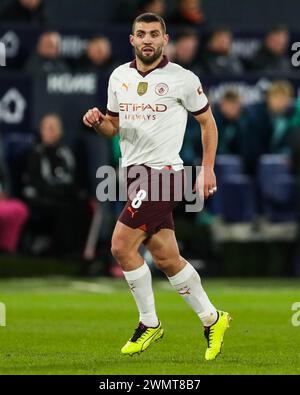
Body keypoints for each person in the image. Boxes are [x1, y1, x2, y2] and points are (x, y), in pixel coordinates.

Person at [83, 13, 231, 361]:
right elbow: (113, 128)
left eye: (154, 34)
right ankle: (213, 318)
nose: (147, 39)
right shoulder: (119, 76)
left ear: (165, 40)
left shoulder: (182, 79)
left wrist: (207, 170)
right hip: (133, 176)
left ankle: (149, 323)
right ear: (132, 40)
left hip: (164, 175)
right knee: (166, 257)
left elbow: (208, 125)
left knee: (120, 245)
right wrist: (99, 122)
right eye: (141, 34)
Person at [23, 114, 88, 257]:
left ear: (60, 131)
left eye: (53, 128)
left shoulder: (66, 153)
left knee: (81, 205)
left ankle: (79, 254)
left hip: (65, 197)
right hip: (44, 199)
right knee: (62, 209)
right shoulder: (35, 154)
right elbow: (35, 183)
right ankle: (61, 254)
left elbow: (73, 179)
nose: (50, 132)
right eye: (47, 128)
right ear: (41, 131)